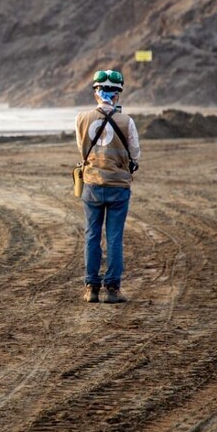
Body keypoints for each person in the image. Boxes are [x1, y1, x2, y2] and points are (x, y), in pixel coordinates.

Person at [75, 69, 140, 303]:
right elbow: (135, 154)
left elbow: (82, 149)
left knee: (92, 235)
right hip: (119, 186)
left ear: (96, 93)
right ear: (117, 96)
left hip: (92, 184)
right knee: (114, 237)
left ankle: (91, 288)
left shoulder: (81, 118)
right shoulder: (127, 121)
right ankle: (112, 290)